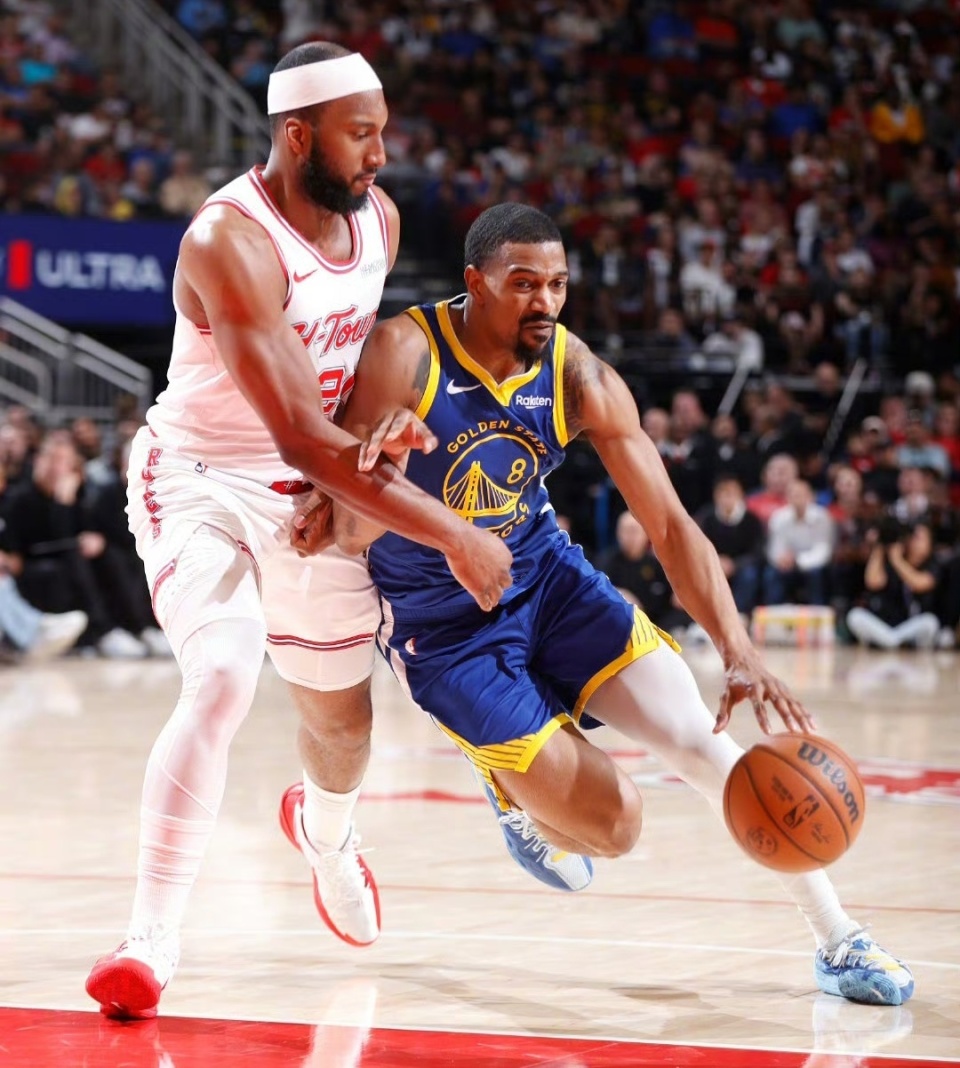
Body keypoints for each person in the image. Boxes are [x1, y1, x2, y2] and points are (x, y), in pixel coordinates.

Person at [330, 203, 913, 1007]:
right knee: (616, 827)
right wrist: (387, 463)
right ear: (475, 283)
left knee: (698, 735)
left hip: (547, 579)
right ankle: (512, 786)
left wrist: (737, 649)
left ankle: (838, 937)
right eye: (523, 284)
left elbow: (669, 525)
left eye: (557, 284)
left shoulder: (577, 375)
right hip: (446, 629)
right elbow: (345, 532)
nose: (544, 302)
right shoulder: (404, 352)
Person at [84, 43, 513, 1021]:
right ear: (298, 135)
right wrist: (451, 533)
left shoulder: (380, 221)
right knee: (224, 672)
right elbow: (293, 431)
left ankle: (326, 835)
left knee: (341, 722)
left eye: (383, 132)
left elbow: (344, 382)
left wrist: (375, 432)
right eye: (361, 134)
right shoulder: (227, 241)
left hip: (310, 482)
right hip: (200, 478)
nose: (380, 154)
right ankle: (148, 941)